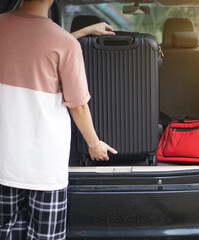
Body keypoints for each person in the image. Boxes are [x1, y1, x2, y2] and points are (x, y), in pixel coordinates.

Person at [0, 0, 117, 239]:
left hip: (4, 162)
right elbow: (78, 105)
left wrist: (82, 32)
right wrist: (94, 144)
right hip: (43, 167)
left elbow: (32, 44)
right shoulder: (64, 44)